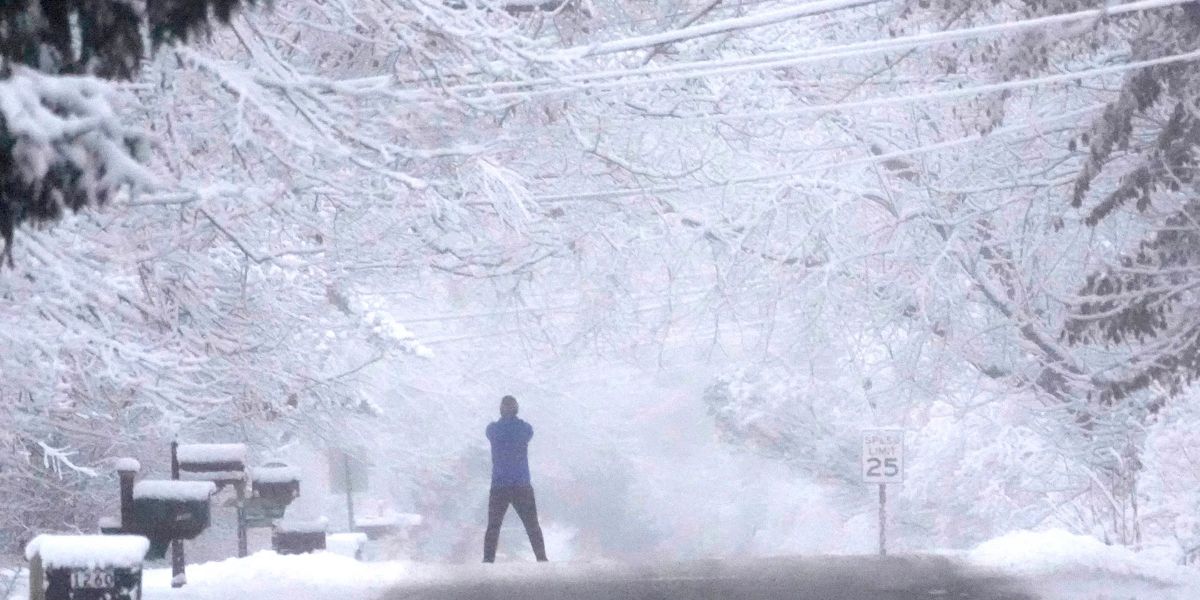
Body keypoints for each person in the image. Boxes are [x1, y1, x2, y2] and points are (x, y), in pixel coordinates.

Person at [483, 395, 548, 562]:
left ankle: (488, 560)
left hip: (499, 485)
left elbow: (490, 431)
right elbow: (528, 431)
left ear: (501, 410)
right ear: (516, 409)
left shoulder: (493, 430)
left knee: (493, 526)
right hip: (521, 484)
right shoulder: (524, 429)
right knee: (532, 525)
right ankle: (541, 558)